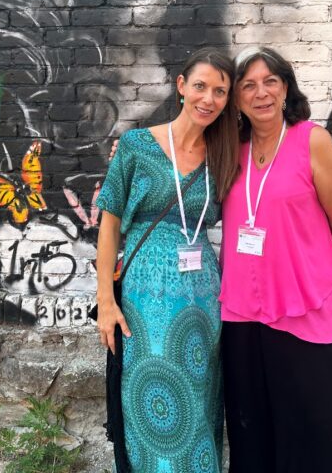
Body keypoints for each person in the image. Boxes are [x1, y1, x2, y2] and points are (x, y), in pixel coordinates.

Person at [219, 46, 332, 473]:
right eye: (248, 85)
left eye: (270, 82)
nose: (261, 93)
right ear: (236, 98)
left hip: (304, 311)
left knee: (314, 434)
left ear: (286, 89)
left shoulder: (312, 142)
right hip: (241, 315)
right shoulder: (231, 149)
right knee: (251, 434)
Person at [95, 48, 239, 473]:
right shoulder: (136, 145)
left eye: (219, 91)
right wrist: (105, 301)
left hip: (202, 300)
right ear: (181, 86)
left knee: (199, 400)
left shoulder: (224, 157)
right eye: (200, 86)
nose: (208, 98)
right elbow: (109, 224)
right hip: (145, 298)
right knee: (148, 394)